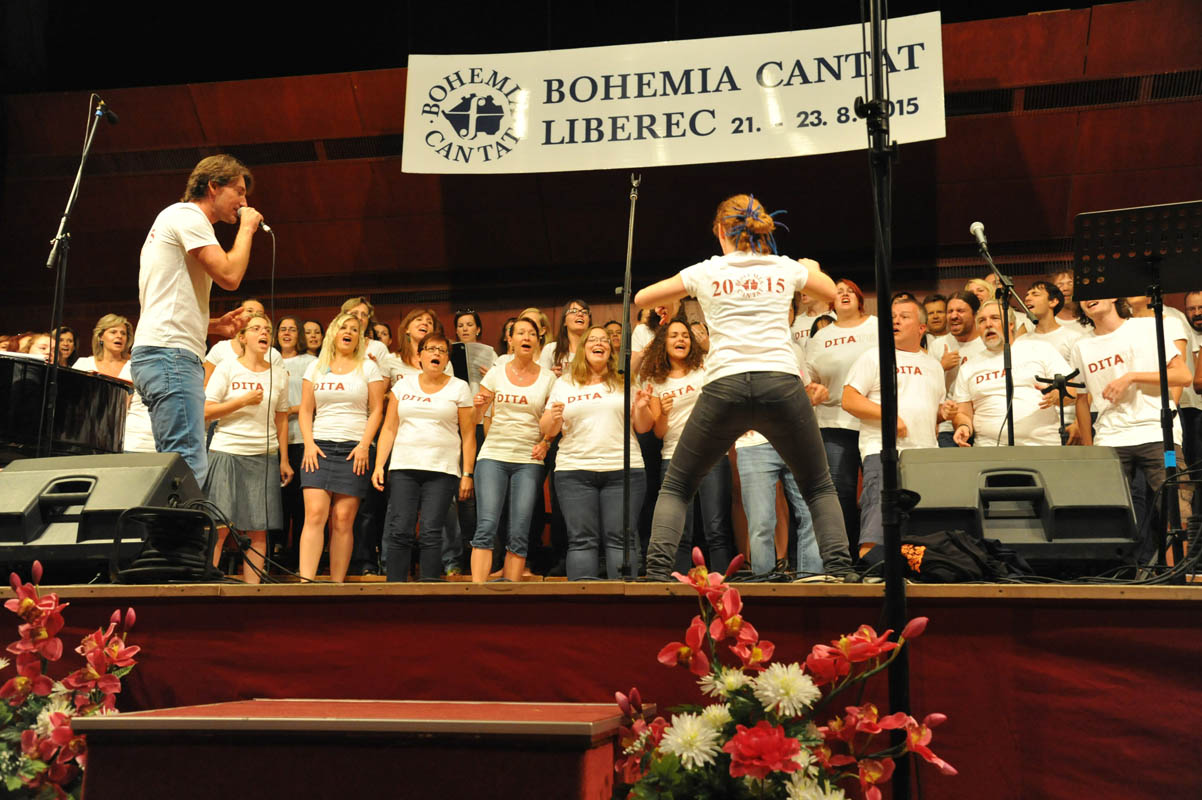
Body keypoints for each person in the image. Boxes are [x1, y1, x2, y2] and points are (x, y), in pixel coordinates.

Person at [635, 193, 855, 582]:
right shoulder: (784, 267)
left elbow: (642, 298)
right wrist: (812, 267)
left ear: (721, 230)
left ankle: (655, 573)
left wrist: (678, 295)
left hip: (725, 385)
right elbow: (830, 293)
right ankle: (840, 568)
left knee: (678, 485)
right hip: (780, 383)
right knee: (819, 486)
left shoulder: (707, 271)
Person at [131, 154, 263, 486]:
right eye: (239, 192)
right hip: (170, 357)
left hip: (161, 352)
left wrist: (212, 325)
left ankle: (171, 522)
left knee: (177, 462)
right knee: (188, 463)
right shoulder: (188, 215)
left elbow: (166, 299)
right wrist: (247, 229)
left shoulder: (176, 218)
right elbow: (230, 276)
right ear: (213, 186)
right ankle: (181, 524)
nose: (244, 203)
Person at [1071, 297, 1193, 537]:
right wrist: (1089, 448)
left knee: (1177, 509)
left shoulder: (1146, 328)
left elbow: (1183, 376)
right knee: (1107, 514)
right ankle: (1125, 561)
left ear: (1113, 296)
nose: (1089, 299)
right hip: (1110, 436)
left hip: (1156, 432)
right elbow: (1081, 399)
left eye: (1095, 293)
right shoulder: (1081, 346)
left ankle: (1175, 562)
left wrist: (1131, 377)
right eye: (1083, 297)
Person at [540, 326, 654, 579]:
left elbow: (644, 426)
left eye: (604, 340)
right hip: (574, 471)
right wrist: (554, 418)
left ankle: (623, 600)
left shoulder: (625, 381)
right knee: (581, 540)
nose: (599, 343)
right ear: (583, 348)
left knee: (621, 540)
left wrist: (642, 407)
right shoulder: (564, 383)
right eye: (592, 339)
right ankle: (584, 600)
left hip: (623, 470)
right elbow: (547, 428)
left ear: (611, 350)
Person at [842, 297, 946, 557]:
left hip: (925, 455)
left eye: (904, 316)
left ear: (921, 328)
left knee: (921, 530)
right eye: (892, 317)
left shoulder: (934, 365)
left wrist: (946, 414)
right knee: (877, 525)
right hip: (884, 453)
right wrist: (889, 416)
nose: (895, 321)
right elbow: (849, 399)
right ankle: (871, 570)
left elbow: (932, 412)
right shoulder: (873, 357)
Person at [372, 332, 475, 582]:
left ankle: (429, 589)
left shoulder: (459, 387)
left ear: (447, 359)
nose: (436, 354)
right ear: (419, 356)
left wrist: (467, 473)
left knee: (431, 531)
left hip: (442, 470)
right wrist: (379, 465)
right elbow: (389, 428)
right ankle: (395, 589)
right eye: (431, 349)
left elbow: (468, 434)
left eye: (442, 350)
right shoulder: (403, 385)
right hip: (403, 467)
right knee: (400, 530)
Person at [640, 318, 735, 574]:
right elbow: (659, 432)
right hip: (674, 456)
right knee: (680, 530)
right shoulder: (656, 381)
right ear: (663, 343)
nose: (680, 339)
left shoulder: (703, 369)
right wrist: (663, 414)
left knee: (716, 528)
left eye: (684, 335)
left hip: (712, 455)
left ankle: (723, 586)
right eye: (673, 335)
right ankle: (678, 584)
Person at [203, 312, 292, 584]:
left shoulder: (279, 374)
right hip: (226, 450)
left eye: (267, 329)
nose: (264, 332)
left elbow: (281, 417)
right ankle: (207, 586)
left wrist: (284, 459)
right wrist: (242, 401)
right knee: (219, 525)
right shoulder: (227, 368)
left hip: (263, 455)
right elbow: (206, 410)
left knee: (258, 529)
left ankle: (253, 591)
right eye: (256, 328)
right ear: (242, 337)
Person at [298, 312, 387, 582]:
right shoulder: (315, 367)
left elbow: (377, 410)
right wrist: (309, 444)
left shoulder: (368, 368)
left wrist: (364, 445)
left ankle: (336, 585)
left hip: (354, 449)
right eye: (343, 327)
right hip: (319, 447)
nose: (348, 332)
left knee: (343, 518)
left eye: (354, 329)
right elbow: (305, 410)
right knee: (315, 515)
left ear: (359, 337)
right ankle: (305, 583)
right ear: (333, 333)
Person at [469, 317, 556, 582]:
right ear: (511, 339)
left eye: (531, 333)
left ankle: (511, 593)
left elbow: (552, 423)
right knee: (486, 525)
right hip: (493, 456)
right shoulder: (496, 372)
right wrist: (478, 407)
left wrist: (546, 442)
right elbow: (475, 419)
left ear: (538, 341)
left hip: (528, 460)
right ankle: (476, 592)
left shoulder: (549, 378)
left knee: (519, 529)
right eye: (520, 333)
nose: (526, 337)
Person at [805, 277, 877, 547]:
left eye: (850, 291)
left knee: (876, 491)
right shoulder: (821, 337)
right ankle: (846, 556)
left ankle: (874, 552)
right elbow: (807, 375)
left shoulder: (877, 326)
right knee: (840, 493)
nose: (844, 294)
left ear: (860, 299)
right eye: (839, 292)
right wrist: (811, 389)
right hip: (833, 422)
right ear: (831, 301)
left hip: (873, 421)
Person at [947, 300, 1073, 447]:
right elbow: (963, 413)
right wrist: (963, 426)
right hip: (989, 447)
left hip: (1043, 444)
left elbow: (1071, 392)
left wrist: (1057, 395)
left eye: (995, 318)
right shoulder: (968, 367)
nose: (988, 324)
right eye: (982, 321)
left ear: (1011, 324)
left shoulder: (1040, 349)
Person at [73, 314, 156, 453]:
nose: (119, 336)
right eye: (113, 332)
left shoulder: (135, 366)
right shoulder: (83, 364)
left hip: (132, 439)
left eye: (123, 333)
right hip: (88, 436)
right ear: (100, 336)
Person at [275, 315, 317, 566]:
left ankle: (301, 557)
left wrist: (290, 410)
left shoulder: (310, 362)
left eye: (292, 329)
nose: (287, 333)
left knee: (302, 503)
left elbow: (317, 400)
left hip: (302, 438)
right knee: (279, 502)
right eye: (283, 329)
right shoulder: (270, 359)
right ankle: (277, 552)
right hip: (273, 440)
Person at [204, 298, 281, 384]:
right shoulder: (221, 348)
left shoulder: (273, 355)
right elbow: (204, 383)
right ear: (237, 315)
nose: (254, 315)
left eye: (259, 313)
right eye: (249, 311)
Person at [1024, 281, 1083, 360]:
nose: (1027, 298)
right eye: (1027, 295)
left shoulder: (1073, 338)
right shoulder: (1021, 341)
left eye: (1035, 294)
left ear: (1053, 302)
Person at [541, 299, 591, 376]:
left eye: (584, 312)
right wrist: (551, 375)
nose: (580, 314)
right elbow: (541, 379)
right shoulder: (551, 349)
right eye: (573, 311)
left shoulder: (593, 349)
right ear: (564, 321)